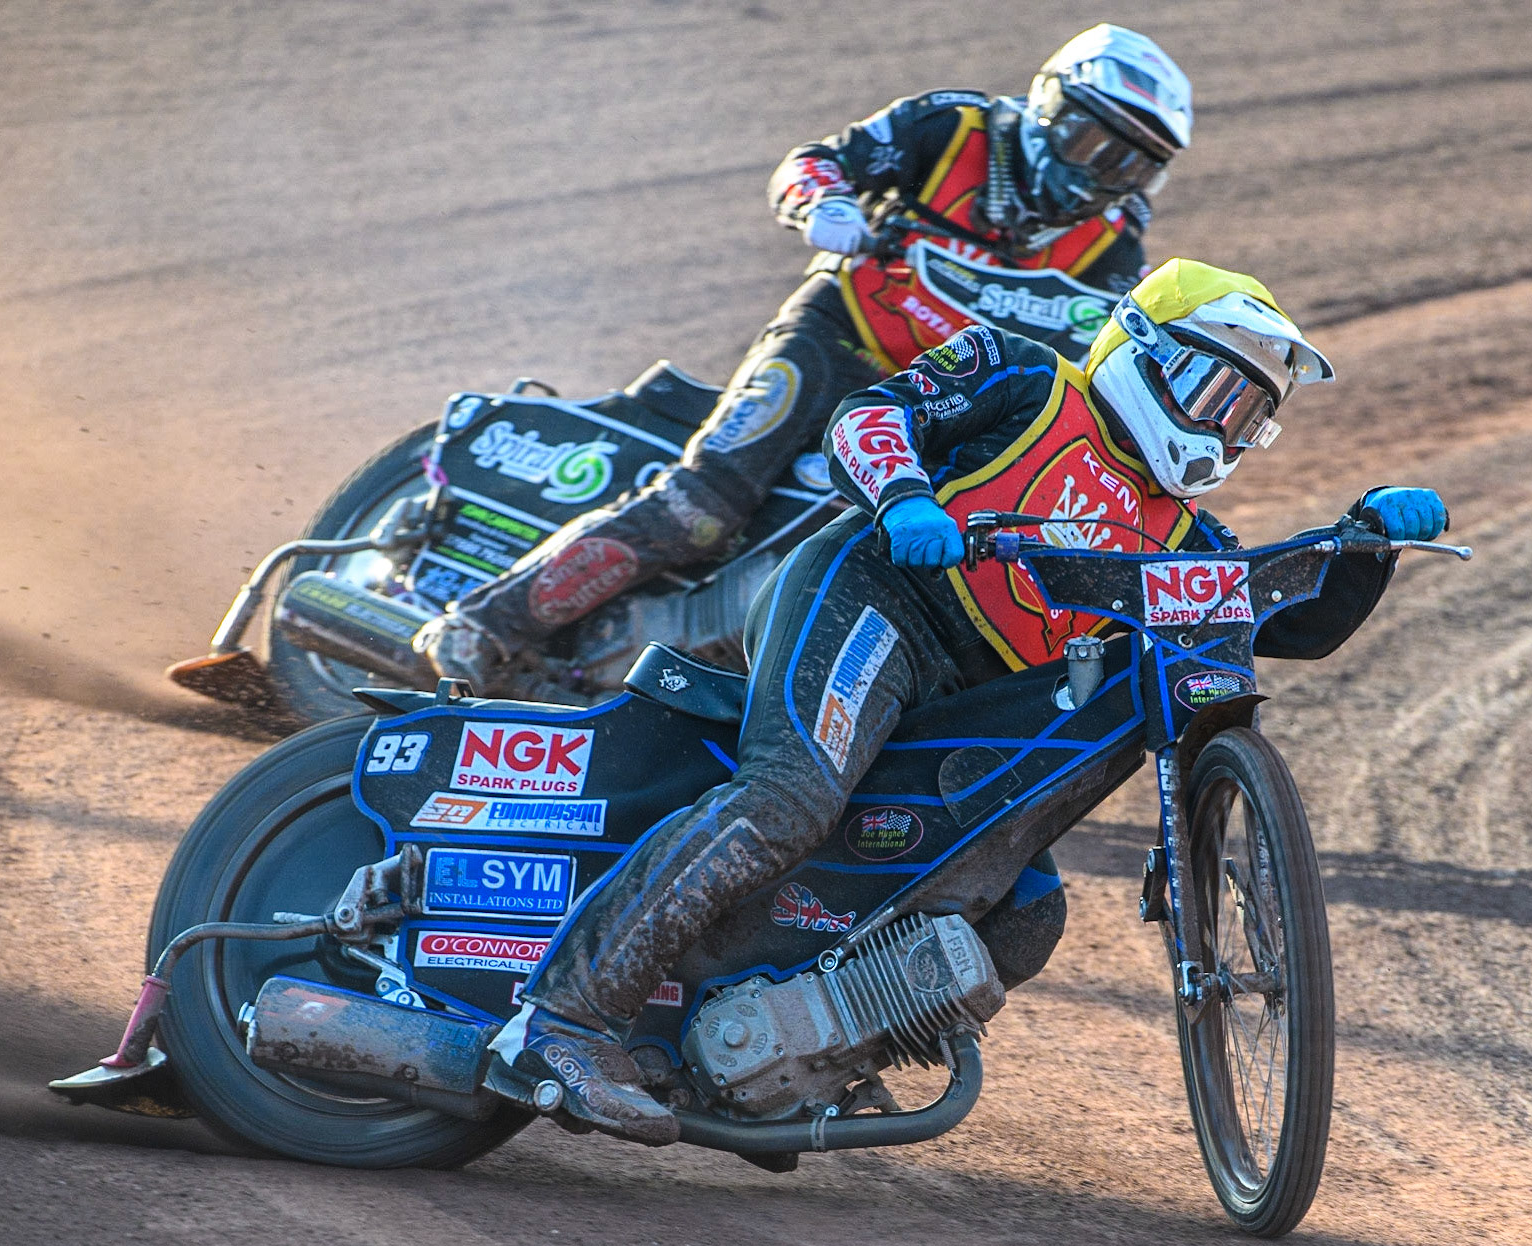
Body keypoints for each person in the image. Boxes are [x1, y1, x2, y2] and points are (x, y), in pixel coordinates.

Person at [483, 258, 1451, 1145]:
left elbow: (1285, 623)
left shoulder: (1187, 535)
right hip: (876, 599)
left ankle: (789, 1057)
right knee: (787, 798)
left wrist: (1359, 550)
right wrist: (905, 496)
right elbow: (869, 413)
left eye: (1245, 416)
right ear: (1139, 350)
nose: (1219, 428)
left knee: (1023, 912)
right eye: (1210, 391)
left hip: (970, 695)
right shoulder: (1026, 378)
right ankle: (559, 1022)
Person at [416, 25, 1196, 692]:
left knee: (905, 551)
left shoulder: (1114, 237)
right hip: (835, 338)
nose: (1102, 173)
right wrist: (825, 205)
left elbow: (1100, 346)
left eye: (1132, 163)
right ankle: (478, 627)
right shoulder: (955, 126)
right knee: (703, 506)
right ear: (1049, 106)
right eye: (1093, 141)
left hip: (937, 397)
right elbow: (818, 160)